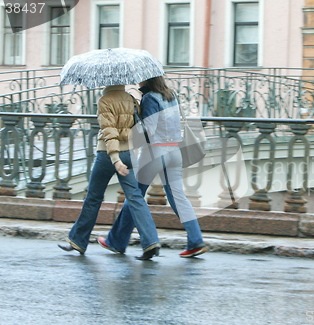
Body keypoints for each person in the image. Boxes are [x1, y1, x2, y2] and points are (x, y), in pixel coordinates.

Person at [97, 76, 207, 258]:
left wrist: (135, 118)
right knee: (179, 198)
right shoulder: (170, 95)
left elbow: (149, 128)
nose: (138, 83)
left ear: (146, 81)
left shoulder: (149, 98)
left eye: (140, 80)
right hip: (174, 151)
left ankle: (116, 241)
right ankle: (196, 241)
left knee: (135, 196)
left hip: (155, 152)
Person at [58, 85, 161, 260]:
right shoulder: (130, 100)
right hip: (129, 154)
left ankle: (77, 241)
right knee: (135, 198)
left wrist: (115, 159)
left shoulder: (105, 101)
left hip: (107, 156)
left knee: (93, 198)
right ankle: (151, 241)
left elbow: (109, 132)